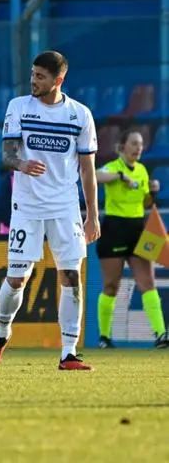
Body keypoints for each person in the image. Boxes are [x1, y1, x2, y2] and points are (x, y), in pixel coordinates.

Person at [0, 50, 100, 371]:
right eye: (33, 74)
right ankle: (2, 332)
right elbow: (7, 155)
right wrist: (22, 163)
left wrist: (93, 214)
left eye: (40, 76)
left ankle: (68, 352)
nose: (33, 81)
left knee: (71, 276)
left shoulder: (80, 115)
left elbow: (88, 170)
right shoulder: (19, 107)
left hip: (65, 208)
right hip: (27, 207)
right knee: (18, 278)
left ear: (58, 80)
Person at [95, 130, 168, 349]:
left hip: (137, 229)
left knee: (147, 282)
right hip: (114, 229)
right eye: (134, 144)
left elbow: (144, 204)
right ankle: (104, 337)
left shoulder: (143, 170)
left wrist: (152, 193)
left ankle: (161, 334)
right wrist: (119, 177)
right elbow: (96, 176)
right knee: (111, 286)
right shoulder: (114, 168)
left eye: (141, 144)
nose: (138, 148)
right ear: (122, 147)